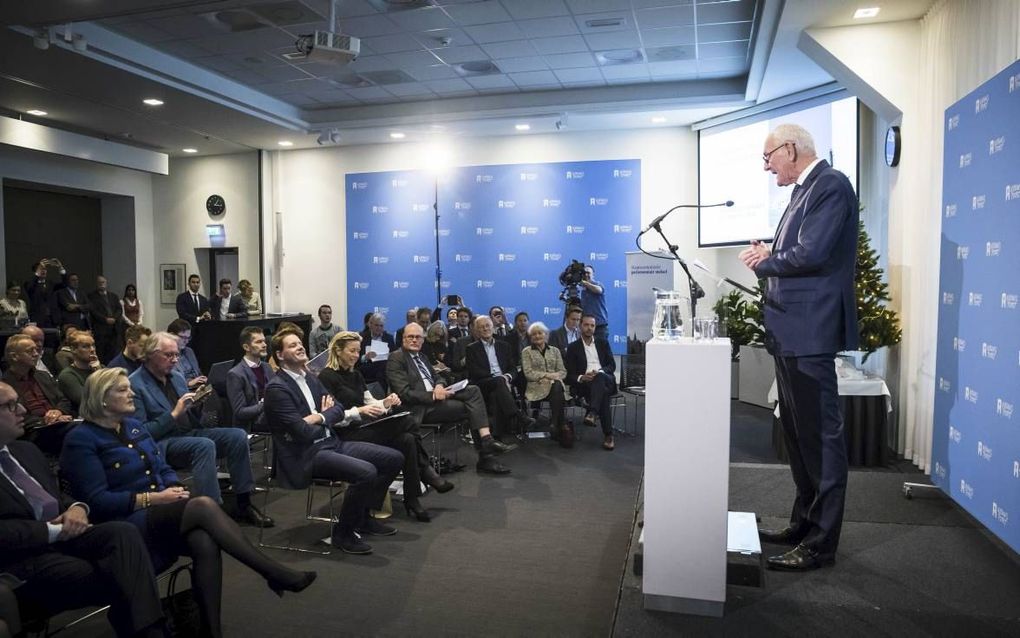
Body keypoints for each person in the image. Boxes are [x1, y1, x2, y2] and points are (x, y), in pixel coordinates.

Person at [60, 370, 315, 637]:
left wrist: (173, 485)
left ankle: (211, 630)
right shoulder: (82, 439)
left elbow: (162, 467)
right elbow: (96, 501)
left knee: (203, 540)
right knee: (203, 505)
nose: (131, 393)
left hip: (157, 512)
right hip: (121, 525)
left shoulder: (132, 426)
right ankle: (272, 572)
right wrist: (154, 498)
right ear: (102, 399)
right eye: (123, 390)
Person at [738, 123, 858, 572]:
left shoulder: (830, 185)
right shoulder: (803, 192)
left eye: (768, 156)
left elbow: (813, 254)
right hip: (791, 332)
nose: (766, 166)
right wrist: (770, 250)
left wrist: (765, 261)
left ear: (790, 149)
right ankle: (805, 523)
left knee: (821, 441)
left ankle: (821, 543)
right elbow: (800, 250)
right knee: (799, 435)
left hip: (810, 331)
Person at [0, 381, 166, 638]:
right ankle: (149, 631)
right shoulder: (81, 438)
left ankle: (148, 631)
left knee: (123, 533)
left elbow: (57, 496)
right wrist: (51, 531)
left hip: (67, 535)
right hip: (25, 556)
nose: (22, 410)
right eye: (10, 405)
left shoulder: (26, 450)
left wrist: (77, 507)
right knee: (123, 570)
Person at [264, 330, 403, 554]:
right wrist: (325, 417)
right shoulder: (277, 388)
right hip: (305, 455)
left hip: (330, 442)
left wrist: (319, 417)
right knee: (366, 472)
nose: (300, 347)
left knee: (393, 458)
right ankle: (343, 534)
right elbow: (301, 432)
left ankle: (363, 517)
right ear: (280, 355)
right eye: (292, 346)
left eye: (300, 343)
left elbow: (338, 409)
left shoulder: (309, 377)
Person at [129, 332, 272, 527]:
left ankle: (243, 502)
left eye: (177, 355)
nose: (175, 360)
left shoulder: (177, 377)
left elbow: (192, 418)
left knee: (237, 436)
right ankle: (211, 512)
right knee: (203, 445)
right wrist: (173, 414)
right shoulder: (135, 384)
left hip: (188, 433)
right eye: (168, 355)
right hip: (162, 443)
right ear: (150, 355)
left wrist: (199, 404)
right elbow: (141, 433)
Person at [319, 331, 453, 523]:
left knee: (407, 440)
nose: (356, 356)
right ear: (338, 351)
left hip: (363, 428)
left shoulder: (356, 374)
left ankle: (412, 498)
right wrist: (360, 411)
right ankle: (426, 471)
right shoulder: (327, 377)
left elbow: (372, 402)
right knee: (407, 422)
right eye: (352, 351)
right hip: (344, 434)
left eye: (358, 351)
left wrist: (387, 403)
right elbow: (331, 418)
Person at [387, 322, 516, 475]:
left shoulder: (422, 356)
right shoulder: (396, 358)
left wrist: (440, 386)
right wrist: (433, 395)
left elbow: (438, 377)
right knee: (471, 407)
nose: (414, 340)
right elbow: (404, 393)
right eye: (410, 337)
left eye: (418, 337)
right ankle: (486, 455)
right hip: (420, 407)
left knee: (473, 390)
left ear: (423, 340)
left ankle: (487, 441)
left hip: (437, 395)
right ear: (403, 339)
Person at [1, 335, 74, 456]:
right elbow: (12, 415)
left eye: (36, 350)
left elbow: (63, 400)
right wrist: (47, 420)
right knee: (78, 432)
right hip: (34, 431)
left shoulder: (43, 376)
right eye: (30, 351)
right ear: (14, 356)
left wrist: (58, 411)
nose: (36, 354)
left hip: (59, 424)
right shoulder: (5, 386)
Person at [465, 316, 535, 437]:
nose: (485, 329)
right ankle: (518, 416)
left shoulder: (504, 346)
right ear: (477, 331)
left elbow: (512, 368)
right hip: (483, 383)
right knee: (498, 383)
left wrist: (506, 377)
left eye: (487, 325)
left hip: (502, 382)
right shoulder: (471, 348)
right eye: (481, 327)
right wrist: (497, 378)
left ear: (492, 327)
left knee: (495, 394)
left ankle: (496, 436)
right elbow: (474, 371)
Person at [564, 314, 617, 451]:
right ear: (580, 326)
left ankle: (592, 412)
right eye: (586, 325)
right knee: (603, 394)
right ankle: (608, 435)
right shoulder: (573, 347)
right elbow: (568, 375)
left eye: (592, 325)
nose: (589, 328)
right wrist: (582, 377)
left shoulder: (603, 343)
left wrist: (600, 371)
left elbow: (612, 366)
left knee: (599, 377)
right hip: (586, 385)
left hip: (605, 379)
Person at [521, 322, 573, 448]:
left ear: (546, 335)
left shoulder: (555, 351)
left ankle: (555, 423)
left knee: (556, 386)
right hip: (536, 387)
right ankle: (560, 424)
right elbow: (528, 373)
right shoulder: (526, 352)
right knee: (557, 387)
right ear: (530, 337)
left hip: (555, 386)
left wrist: (554, 377)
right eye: (534, 334)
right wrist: (547, 376)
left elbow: (563, 371)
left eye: (540, 333)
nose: (537, 336)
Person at [226, 327, 273, 432]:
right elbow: (240, 412)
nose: (265, 345)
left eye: (264, 341)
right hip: (252, 422)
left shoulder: (267, 367)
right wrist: (266, 404)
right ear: (246, 347)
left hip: (270, 415)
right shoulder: (236, 374)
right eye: (259, 342)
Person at [56, 331, 101, 413]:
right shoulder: (67, 375)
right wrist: (98, 373)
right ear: (73, 349)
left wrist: (98, 370)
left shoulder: (101, 368)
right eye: (86, 346)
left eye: (93, 345)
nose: (92, 350)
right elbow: (88, 402)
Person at [88, 275, 122, 364]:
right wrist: (105, 319)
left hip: (114, 329)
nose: (101, 284)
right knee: (101, 353)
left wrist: (114, 318)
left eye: (103, 282)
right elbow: (93, 311)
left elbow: (119, 309)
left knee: (114, 352)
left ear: (106, 283)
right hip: (100, 329)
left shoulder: (113, 296)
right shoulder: (92, 296)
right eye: (99, 283)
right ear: (96, 284)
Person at [358, 312, 396, 390]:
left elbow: (395, 355)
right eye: (376, 325)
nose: (379, 328)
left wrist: (390, 355)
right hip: (367, 376)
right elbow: (355, 359)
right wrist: (365, 357)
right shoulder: (361, 338)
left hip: (385, 376)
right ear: (370, 325)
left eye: (381, 326)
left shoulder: (389, 338)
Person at [23, 259, 65, 327]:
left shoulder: (50, 284)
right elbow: (29, 288)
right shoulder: (30, 284)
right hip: (37, 319)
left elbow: (64, 284)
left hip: (52, 319)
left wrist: (60, 267)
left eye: (45, 269)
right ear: (35, 271)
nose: (44, 271)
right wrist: (38, 272)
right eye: (41, 269)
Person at [167, 319, 206, 390]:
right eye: (183, 337)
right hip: (184, 391)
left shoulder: (189, 351)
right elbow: (171, 381)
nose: (186, 341)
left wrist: (202, 378)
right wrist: (188, 383)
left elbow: (198, 372)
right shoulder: (167, 356)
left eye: (188, 338)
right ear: (171, 336)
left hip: (198, 387)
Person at [579, 266, 609, 341]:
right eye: (584, 273)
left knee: (600, 351)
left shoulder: (597, 284)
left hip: (599, 327)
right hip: (586, 327)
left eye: (588, 273)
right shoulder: (583, 291)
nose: (586, 275)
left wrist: (585, 283)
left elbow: (598, 290)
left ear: (593, 274)